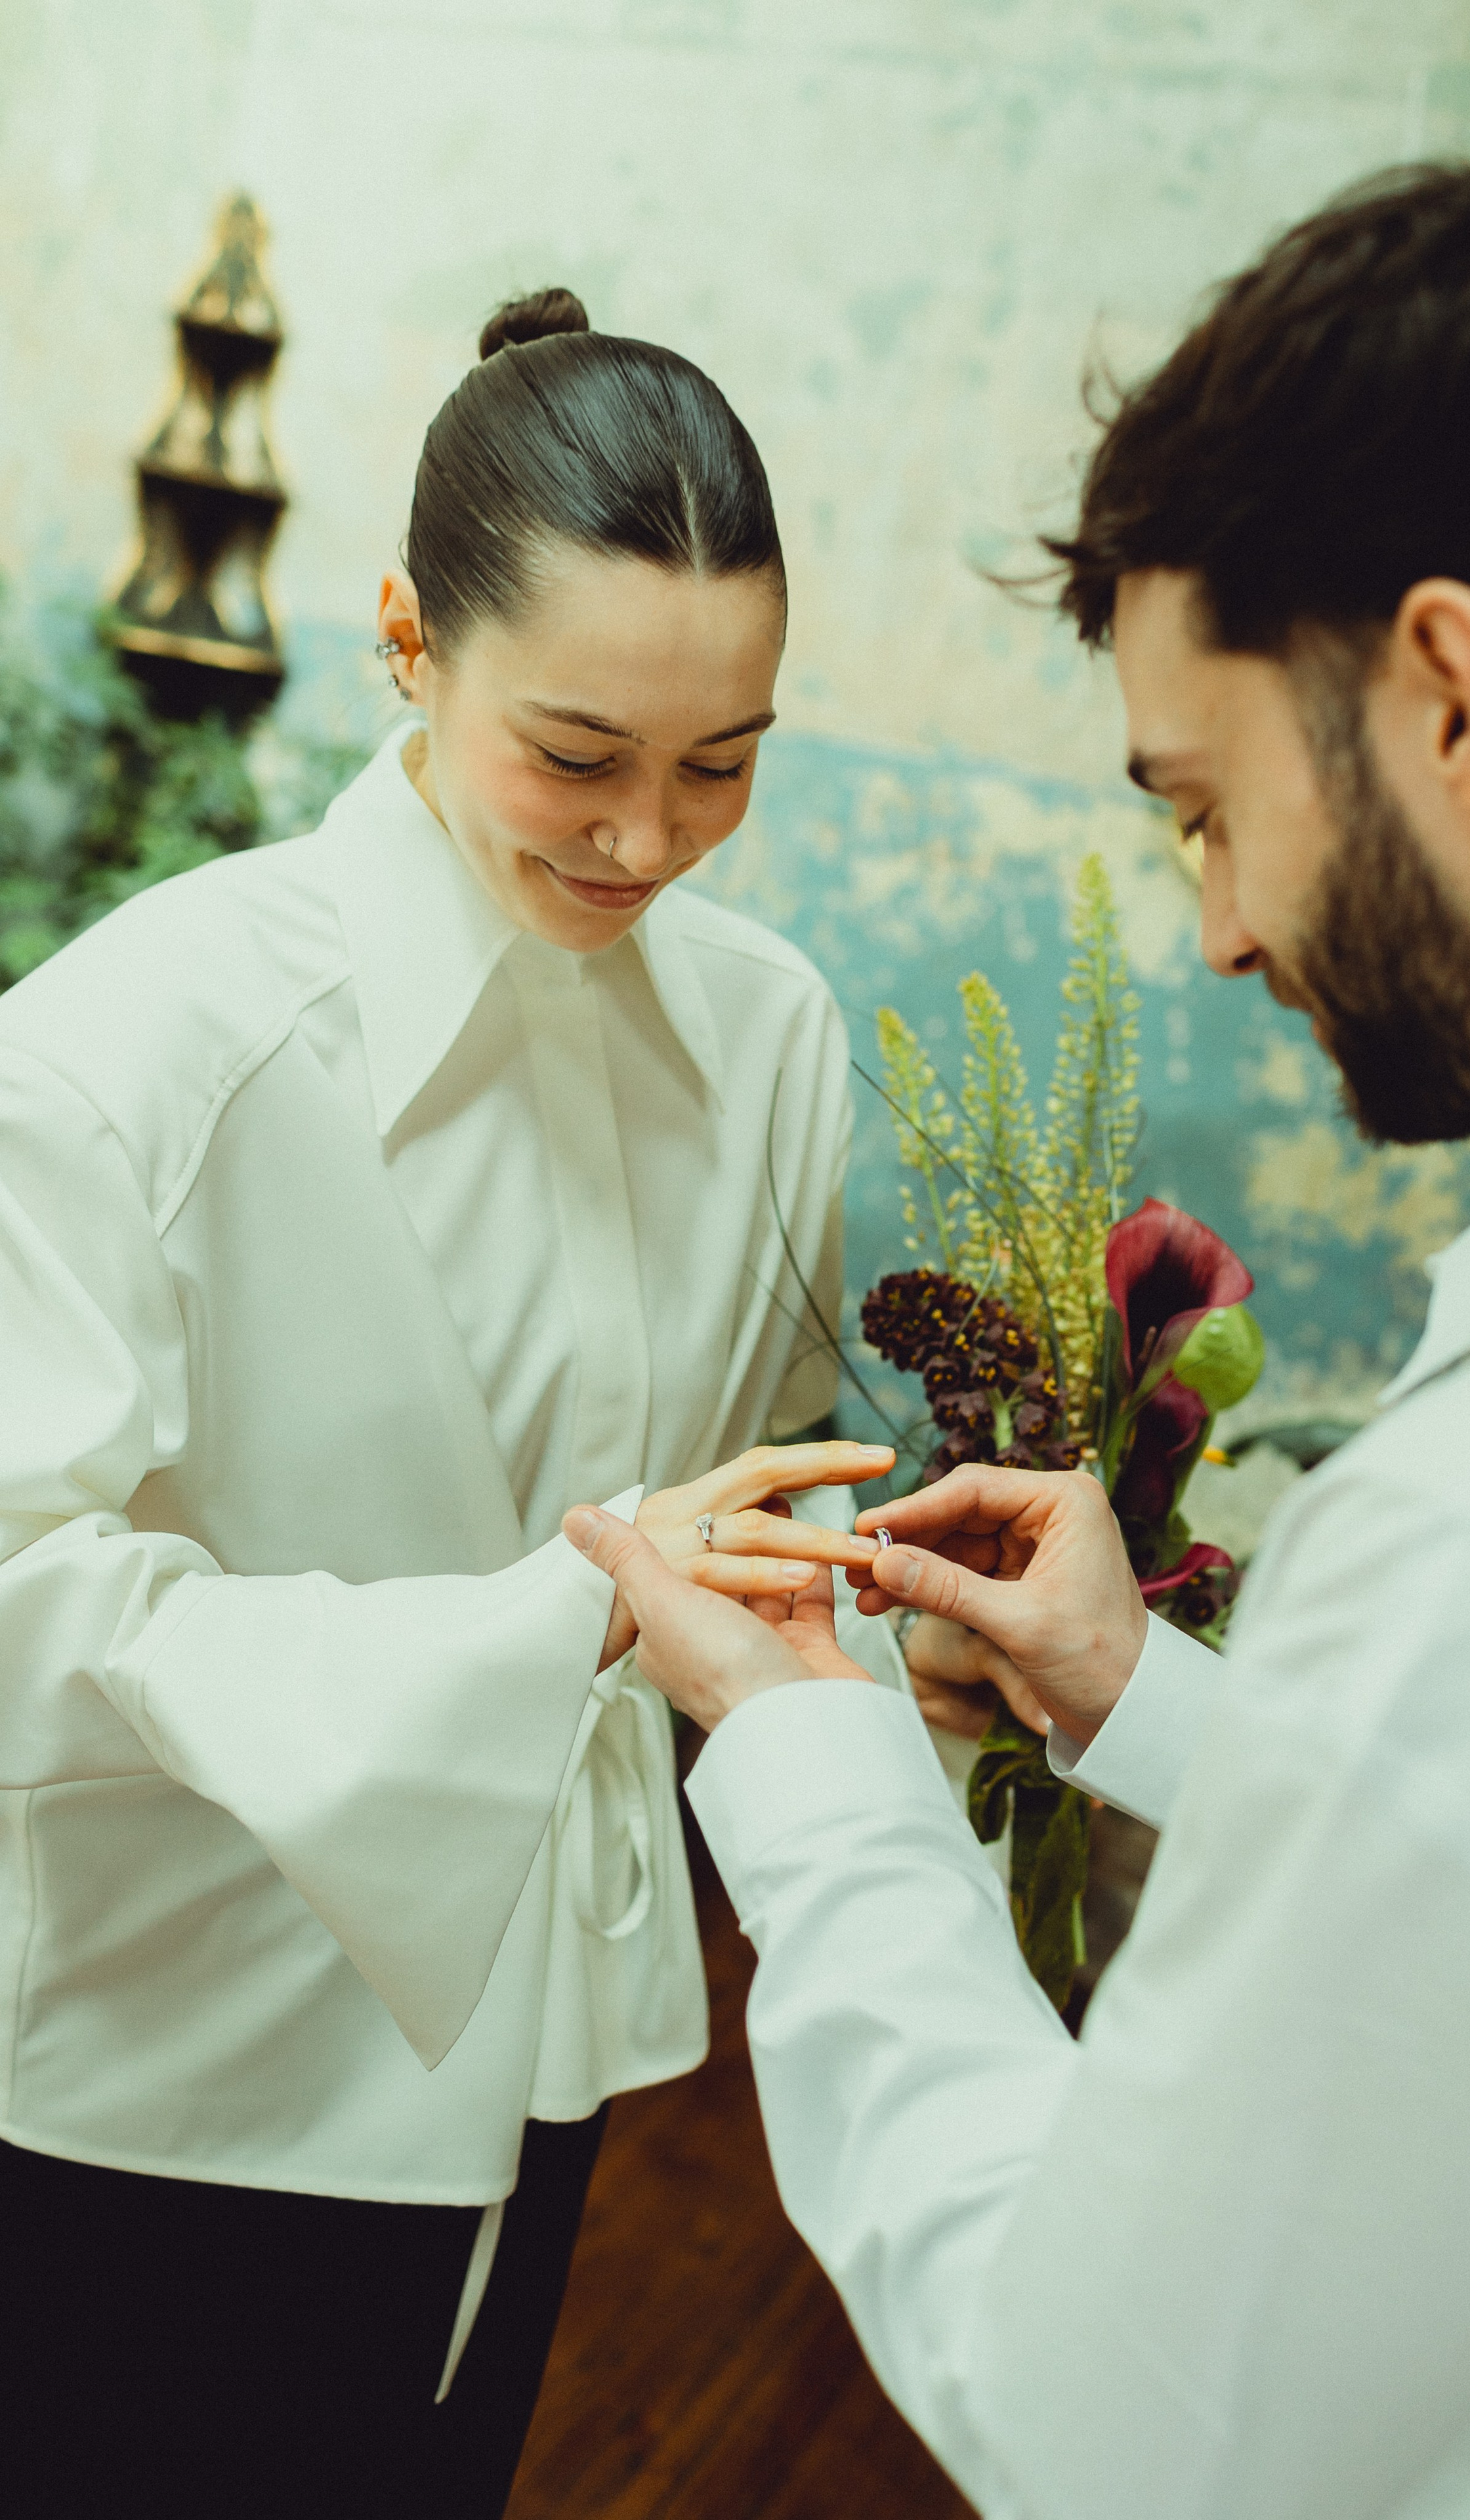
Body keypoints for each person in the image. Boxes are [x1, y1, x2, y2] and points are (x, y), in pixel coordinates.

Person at [562, 165, 1470, 2517]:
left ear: (1451, 696)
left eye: (1207, 807)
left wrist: (810, 1761)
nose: (1221, 931)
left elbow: (1110, 2429)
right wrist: (1141, 1694)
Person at [0, 285, 893, 2519]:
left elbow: (754, 1490)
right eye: (577, 756)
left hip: (549, 2043)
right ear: (407, 638)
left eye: (724, 761)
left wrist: (891, 1635)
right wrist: (554, 1622)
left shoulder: (776, 1038)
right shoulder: (131, 1057)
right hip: (168, 2074)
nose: (649, 840)